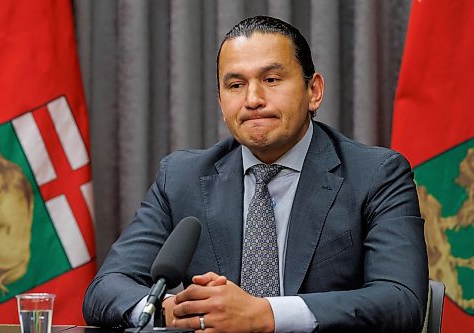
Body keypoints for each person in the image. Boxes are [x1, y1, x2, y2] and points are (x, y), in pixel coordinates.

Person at [83, 16, 428, 333]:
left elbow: (400, 301)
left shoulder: (376, 175)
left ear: (314, 91)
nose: (252, 99)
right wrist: (167, 309)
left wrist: (266, 315)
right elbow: (106, 288)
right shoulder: (182, 178)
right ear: (221, 102)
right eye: (235, 85)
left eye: (271, 79)